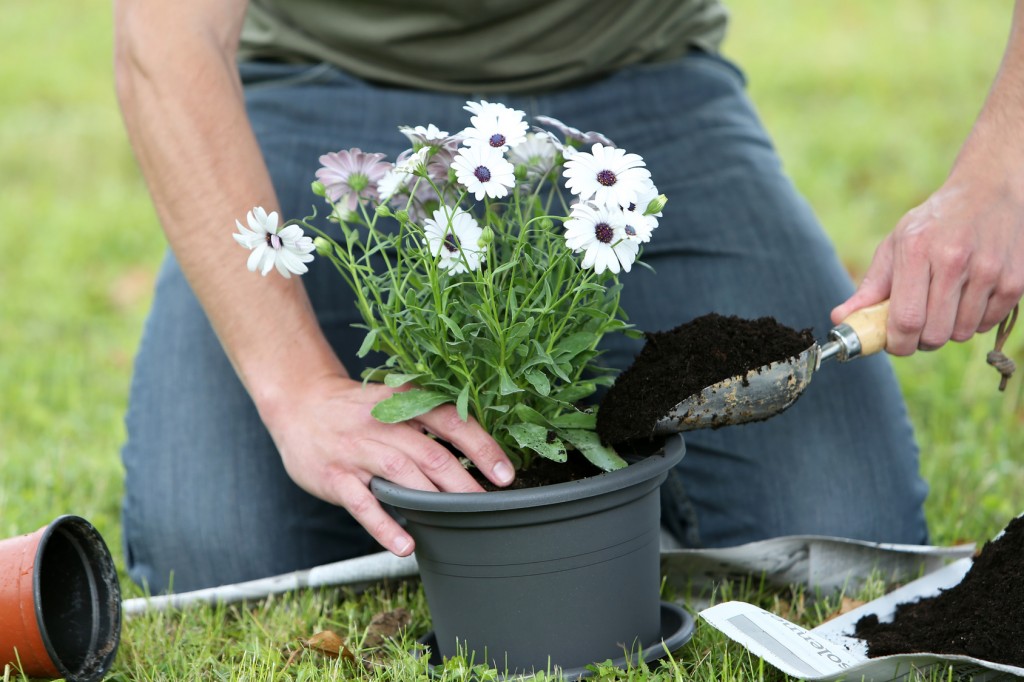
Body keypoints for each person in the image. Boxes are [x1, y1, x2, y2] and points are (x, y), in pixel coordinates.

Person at [113, 0, 1023, 594]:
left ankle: (616, 479)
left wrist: (1002, 175)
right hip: (315, 90)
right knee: (217, 563)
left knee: (848, 540)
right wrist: (293, 386)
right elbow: (165, 34)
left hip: (641, 87)